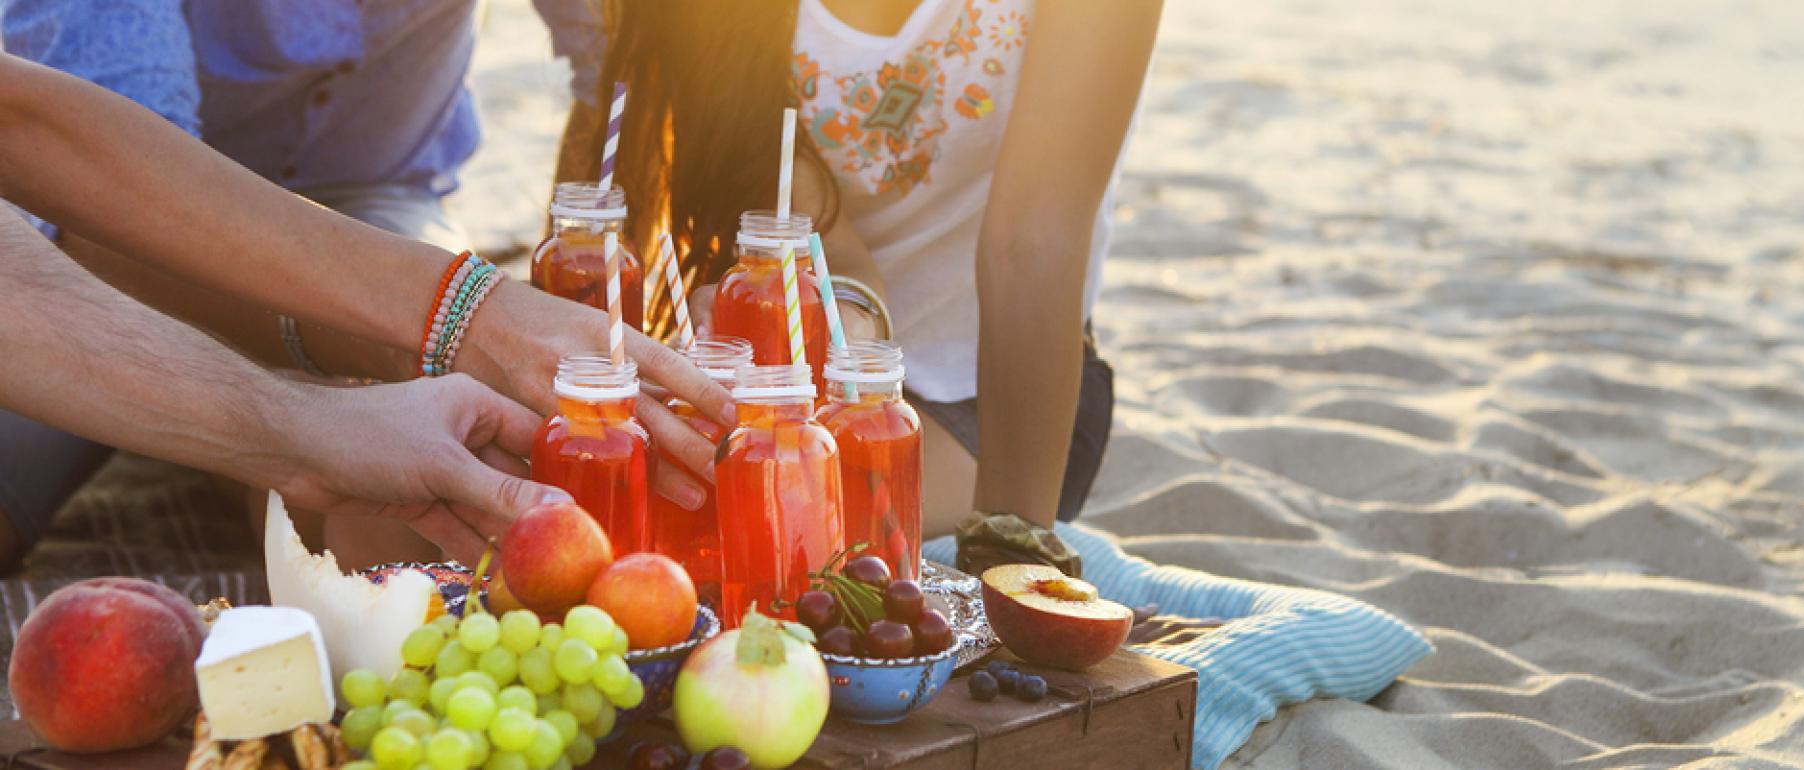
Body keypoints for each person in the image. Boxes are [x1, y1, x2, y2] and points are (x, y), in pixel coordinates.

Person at [0, 53, 732, 564]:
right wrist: (448, 324)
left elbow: (23, 126)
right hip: (92, 238)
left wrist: (466, 322)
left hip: (370, 210)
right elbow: (88, 201)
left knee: (403, 451)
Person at [549, 0, 1163, 537]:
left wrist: (1016, 554)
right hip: (811, 381)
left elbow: (1030, 243)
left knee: (765, 517)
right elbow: (826, 244)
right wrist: (840, 336)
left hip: (999, 398)